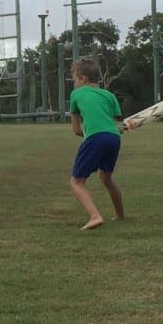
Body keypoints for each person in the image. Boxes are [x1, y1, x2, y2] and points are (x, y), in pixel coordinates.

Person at [67, 57, 125, 231]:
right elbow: (113, 124)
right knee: (106, 178)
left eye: (75, 79)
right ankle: (120, 215)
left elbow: (77, 130)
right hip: (114, 138)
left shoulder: (76, 94)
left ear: (83, 78)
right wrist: (113, 130)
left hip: (95, 137)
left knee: (76, 182)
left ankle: (95, 216)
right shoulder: (110, 95)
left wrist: (90, 134)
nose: (75, 83)